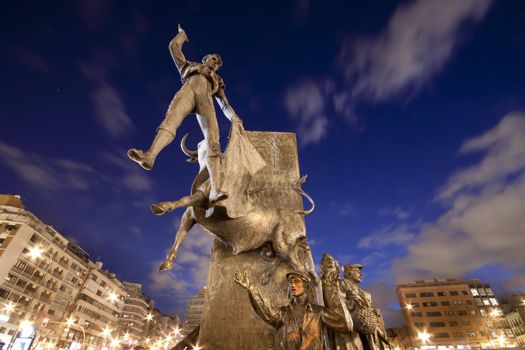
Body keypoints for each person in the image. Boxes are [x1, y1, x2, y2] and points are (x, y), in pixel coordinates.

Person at [127, 24, 237, 204]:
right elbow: (173, 48)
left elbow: (224, 104)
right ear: (206, 58)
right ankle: (149, 156)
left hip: (206, 102)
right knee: (171, 121)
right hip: (188, 92)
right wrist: (182, 35)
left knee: (213, 140)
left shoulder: (217, 81)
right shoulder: (189, 66)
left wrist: (234, 118)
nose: (215, 63)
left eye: (218, 63)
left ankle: (216, 190)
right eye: (214, 59)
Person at [235, 269, 351, 350]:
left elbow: (345, 325)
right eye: (290, 282)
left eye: (296, 281)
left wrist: (336, 291)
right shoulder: (284, 313)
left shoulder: (318, 312)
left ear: (305, 285)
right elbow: (265, 310)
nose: (292, 285)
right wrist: (251, 288)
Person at [341, 264, 390, 350]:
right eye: (357, 272)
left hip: (366, 328)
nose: (361, 275)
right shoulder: (342, 285)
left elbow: (369, 314)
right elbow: (338, 302)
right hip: (350, 328)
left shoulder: (364, 293)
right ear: (349, 274)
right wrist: (355, 304)